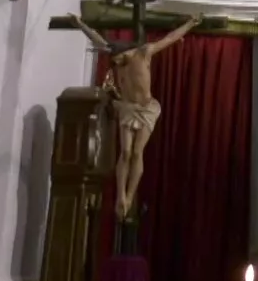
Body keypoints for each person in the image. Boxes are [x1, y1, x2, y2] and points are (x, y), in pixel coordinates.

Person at [72, 12, 204, 221]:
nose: (117, 64)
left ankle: (131, 195)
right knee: (124, 152)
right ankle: (121, 196)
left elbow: (168, 40)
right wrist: (80, 23)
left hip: (147, 108)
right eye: (114, 61)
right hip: (127, 107)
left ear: (124, 52)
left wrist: (190, 24)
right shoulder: (117, 58)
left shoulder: (143, 53)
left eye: (118, 59)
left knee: (136, 152)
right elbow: (96, 38)